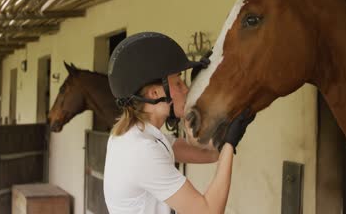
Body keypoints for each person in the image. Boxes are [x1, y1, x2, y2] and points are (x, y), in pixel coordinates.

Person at [104, 32, 255, 214]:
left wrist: (224, 131)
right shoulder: (140, 150)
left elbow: (211, 155)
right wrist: (230, 143)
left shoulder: (140, 135)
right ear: (155, 94)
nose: (186, 89)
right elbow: (208, 211)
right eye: (178, 83)